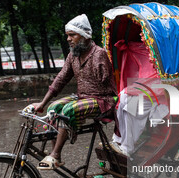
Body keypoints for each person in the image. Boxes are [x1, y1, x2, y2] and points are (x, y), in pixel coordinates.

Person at [33, 14, 117, 170]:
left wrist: (100, 67)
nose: (68, 39)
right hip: (83, 97)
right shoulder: (73, 55)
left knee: (68, 110)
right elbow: (60, 79)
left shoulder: (99, 53)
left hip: (103, 100)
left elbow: (105, 81)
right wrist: (42, 104)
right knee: (54, 107)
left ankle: (55, 154)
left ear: (85, 36)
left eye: (72, 35)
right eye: (67, 35)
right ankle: (55, 154)